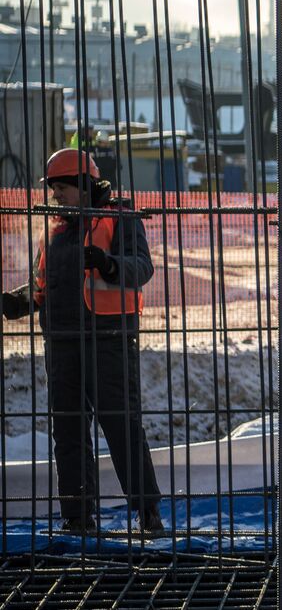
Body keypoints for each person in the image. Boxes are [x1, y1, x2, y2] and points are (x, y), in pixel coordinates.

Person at [2, 149, 163, 534]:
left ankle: (148, 514)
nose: (56, 196)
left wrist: (109, 264)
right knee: (69, 429)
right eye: (54, 189)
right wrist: (17, 301)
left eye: (62, 188)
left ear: (84, 186)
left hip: (108, 338)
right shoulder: (53, 228)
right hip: (62, 342)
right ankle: (77, 518)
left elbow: (142, 267)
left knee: (121, 424)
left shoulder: (120, 218)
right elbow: (44, 285)